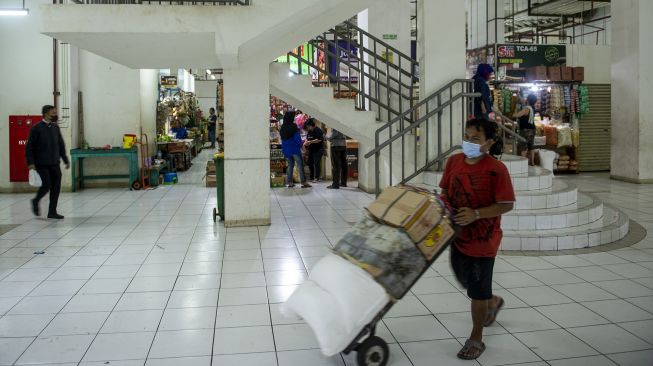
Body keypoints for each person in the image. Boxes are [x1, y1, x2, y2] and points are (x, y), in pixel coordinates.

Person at [439, 118, 515, 360]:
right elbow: (444, 191)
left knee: (477, 292)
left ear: (488, 143)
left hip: (484, 240)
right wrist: (443, 208)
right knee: (465, 280)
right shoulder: (453, 162)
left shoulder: (496, 170)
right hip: (458, 236)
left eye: (475, 139)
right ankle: (493, 301)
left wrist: (477, 214)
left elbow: (506, 205)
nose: (468, 142)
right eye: (466, 136)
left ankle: (476, 338)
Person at [26, 105, 70, 219]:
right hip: (41, 163)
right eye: (53, 113)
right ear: (46, 113)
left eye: (56, 112)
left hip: (54, 163)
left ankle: (52, 211)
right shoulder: (36, 128)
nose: (55, 115)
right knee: (46, 185)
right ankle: (36, 201)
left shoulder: (55, 128)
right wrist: (30, 163)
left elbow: (60, 145)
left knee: (56, 187)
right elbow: (29, 147)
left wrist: (65, 159)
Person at [280, 111, 311, 188]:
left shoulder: (282, 127)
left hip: (286, 149)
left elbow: (282, 139)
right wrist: (302, 146)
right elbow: (297, 138)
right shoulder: (293, 126)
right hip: (294, 149)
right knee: (300, 165)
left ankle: (290, 182)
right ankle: (303, 182)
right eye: (293, 116)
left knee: (290, 165)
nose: (294, 118)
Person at [513, 94, 537, 165]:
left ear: (528, 100)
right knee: (531, 146)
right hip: (532, 129)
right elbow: (523, 101)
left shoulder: (526, 109)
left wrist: (515, 109)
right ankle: (532, 162)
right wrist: (518, 94)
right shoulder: (532, 107)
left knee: (523, 146)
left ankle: (522, 163)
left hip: (525, 130)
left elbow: (516, 115)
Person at [304, 118, 325, 182]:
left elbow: (319, 140)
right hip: (311, 150)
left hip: (318, 149)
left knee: (316, 163)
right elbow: (307, 138)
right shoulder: (309, 131)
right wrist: (306, 142)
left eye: (308, 126)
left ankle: (317, 177)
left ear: (311, 125)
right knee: (310, 163)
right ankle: (311, 176)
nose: (307, 128)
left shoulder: (318, 130)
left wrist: (310, 142)